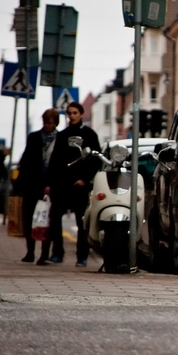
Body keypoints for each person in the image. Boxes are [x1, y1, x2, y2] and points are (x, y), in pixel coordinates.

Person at [38, 102, 101, 267]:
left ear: (81, 114)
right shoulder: (63, 135)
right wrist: (50, 183)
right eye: (69, 113)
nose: (72, 116)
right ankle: (57, 253)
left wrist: (85, 179)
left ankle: (82, 256)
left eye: (75, 113)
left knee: (82, 222)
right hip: (61, 183)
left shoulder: (90, 135)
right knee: (55, 219)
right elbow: (55, 160)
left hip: (79, 185)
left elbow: (95, 159)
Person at [17, 109, 60, 262]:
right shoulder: (34, 137)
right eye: (45, 122)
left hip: (51, 185)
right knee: (29, 218)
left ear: (55, 122)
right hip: (32, 183)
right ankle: (30, 252)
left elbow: (59, 164)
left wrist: (51, 183)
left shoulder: (60, 139)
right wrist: (19, 183)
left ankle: (44, 254)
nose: (47, 125)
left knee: (46, 220)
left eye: (50, 122)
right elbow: (26, 159)